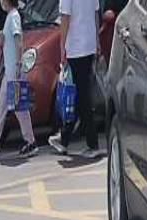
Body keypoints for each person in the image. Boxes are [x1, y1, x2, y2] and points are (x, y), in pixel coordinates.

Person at [0, 0, 38, 160]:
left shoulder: (13, 16)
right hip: (9, 71)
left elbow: (19, 40)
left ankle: (30, 142)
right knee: (2, 106)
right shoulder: (10, 17)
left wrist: (19, 63)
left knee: (19, 108)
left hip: (14, 71)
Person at [48, 0, 102, 159]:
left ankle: (92, 143)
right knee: (80, 94)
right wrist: (97, 40)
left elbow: (65, 18)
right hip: (89, 44)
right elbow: (95, 13)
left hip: (76, 47)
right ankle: (64, 137)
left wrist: (62, 47)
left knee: (82, 96)